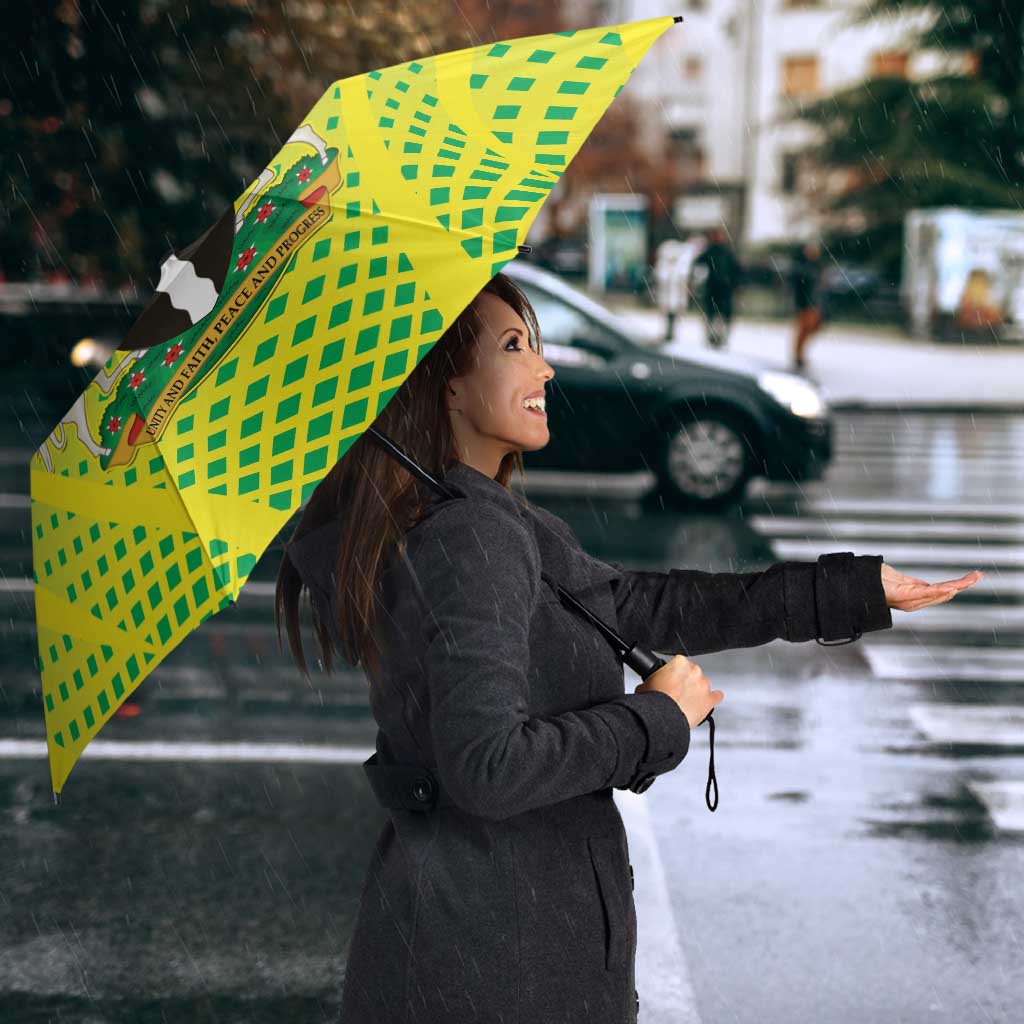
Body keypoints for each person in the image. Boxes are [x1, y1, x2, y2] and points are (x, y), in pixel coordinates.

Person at [276, 271, 970, 1024]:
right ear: (445, 385)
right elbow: (488, 767)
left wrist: (850, 592)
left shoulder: (471, 517)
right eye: (514, 346)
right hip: (500, 963)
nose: (544, 368)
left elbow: (637, 605)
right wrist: (657, 719)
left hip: (479, 940)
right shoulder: (469, 536)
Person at [692, 226, 742, 349]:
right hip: (715, 288)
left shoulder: (725, 252)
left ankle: (719, 337)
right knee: (713, 314)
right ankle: (713, 337)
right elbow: (698, 264)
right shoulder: (712, 251)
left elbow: (736, 270)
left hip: (723, 288)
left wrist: (735, 284)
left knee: (720, 315)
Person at [790, 240, 826, 370]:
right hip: (805, 303)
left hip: (814, 303)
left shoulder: (816, 266)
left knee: (812, 328)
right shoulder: (802, 267)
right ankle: (798, 355)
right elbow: (799, 286)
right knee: (804, 329)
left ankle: (799, 354)